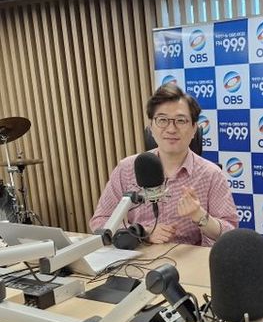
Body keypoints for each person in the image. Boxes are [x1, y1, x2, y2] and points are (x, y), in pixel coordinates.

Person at [90, 84, 238, 246]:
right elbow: (100, 221)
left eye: (180, 121)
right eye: (162, 120)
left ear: (194, 129)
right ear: (151, 128)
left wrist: (200, 215)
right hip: (138, 256)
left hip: (189, 258)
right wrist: (142, 233)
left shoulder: (211, 174)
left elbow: (230, 233)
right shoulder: (126, 168)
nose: (171, 129)